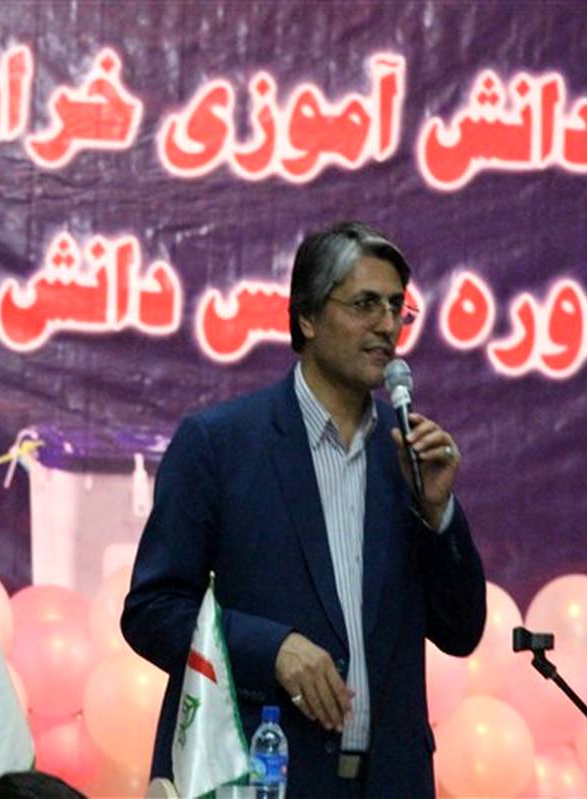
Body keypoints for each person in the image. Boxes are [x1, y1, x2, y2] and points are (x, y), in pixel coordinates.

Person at [121, 221, 487, 797]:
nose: (387, 325)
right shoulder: (221, 445)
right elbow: (152, 612)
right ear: (308, 317)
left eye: (397, 307)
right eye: (365, 304)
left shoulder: (407, 455)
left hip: (389, 784)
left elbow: (462, 631)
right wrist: (273, 650)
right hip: (260, 778)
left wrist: (438, 514)